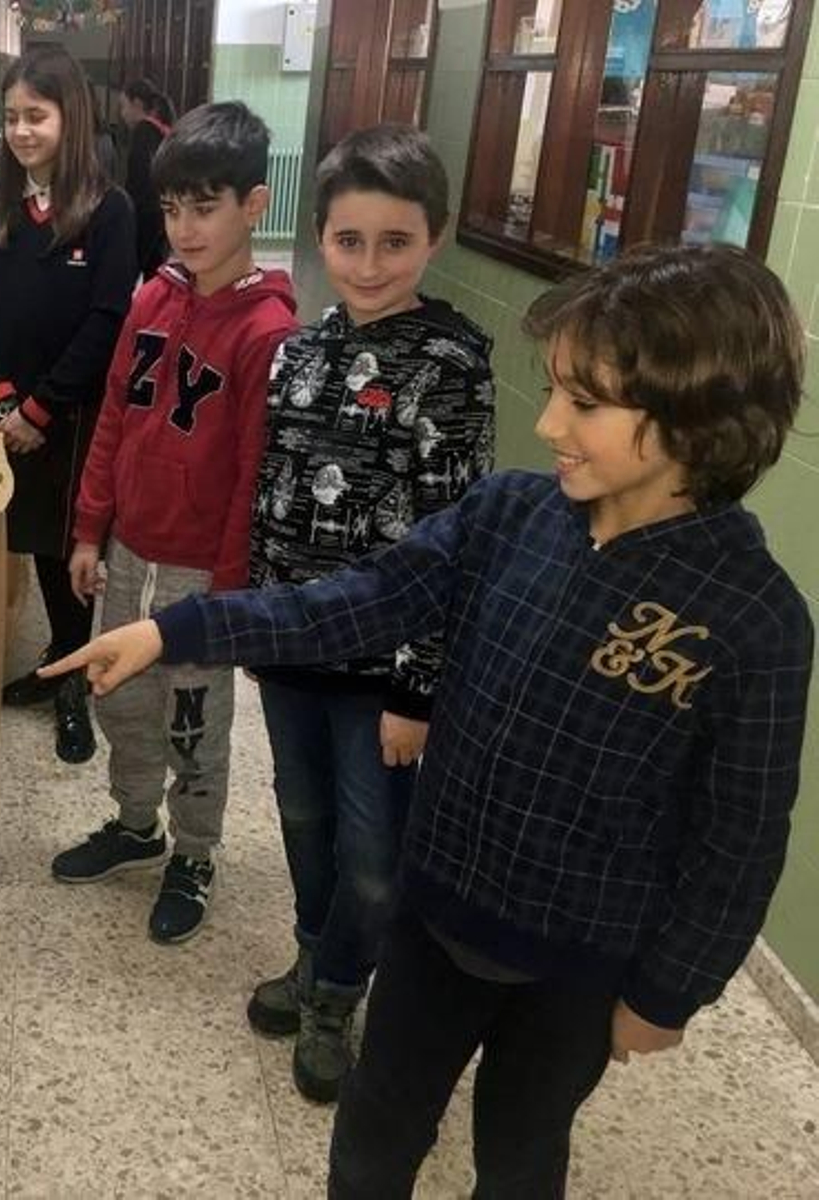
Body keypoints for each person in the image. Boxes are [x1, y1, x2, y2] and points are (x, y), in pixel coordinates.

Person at [41, 242, 812, 1196]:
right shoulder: (509, 516)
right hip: (436, 909)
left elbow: (740, 836)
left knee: (521, 1156)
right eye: (555, 391)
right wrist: (177, 628)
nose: (548, 423)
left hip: (579, 966)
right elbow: (348, 603)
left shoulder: (754, 616)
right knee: (375, 1131)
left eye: (585, 403)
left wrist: (669, 991)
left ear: (700, 418)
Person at [245, 124, 495, 1103]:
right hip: (291, 647)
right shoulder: (302, 351)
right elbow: (275, 489)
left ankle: (339, 988)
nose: (369, 264)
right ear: (320, 237)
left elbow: (454, 537)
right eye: (349, 241)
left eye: (395, 242)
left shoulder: (452, 361)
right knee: (302, 822)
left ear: (437, 237)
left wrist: (418, 691)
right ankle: (316, 957)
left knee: (375, 855)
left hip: (383, 673)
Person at [52, 102, 298, 944]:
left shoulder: (270, 333)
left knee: (193, 722)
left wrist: (229, 600)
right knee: (121, 700)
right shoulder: (152, 299)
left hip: (201, 575)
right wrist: (90, 530)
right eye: (172, 209)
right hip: (128, 551)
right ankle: (134, 825)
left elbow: (253, 481)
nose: (185, 229)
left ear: (254, 205)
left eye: (207, 208)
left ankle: (194, 852)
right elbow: (113, 416)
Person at [0, 45, 138, 764]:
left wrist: (40, 411)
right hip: (16, 414)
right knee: (38, 539)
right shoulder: (4, 209)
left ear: (70, 116)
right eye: (11, 117)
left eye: (36, 115)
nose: (22, 131)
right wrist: (4, 395)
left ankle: (76, 678)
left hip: (76, 418)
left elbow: (107, 321)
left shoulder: (108, 210)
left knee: (75, 549)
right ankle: (60, 658)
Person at [119, 78, 176, 279]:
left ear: (137, 104)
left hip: (145, 216)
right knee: (154, 274)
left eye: (124, 106)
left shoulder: (143, 131)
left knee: (126, 275)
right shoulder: (163, 131)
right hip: (163, 214)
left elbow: (138, 180)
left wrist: (125, 215)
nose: (122, 113)